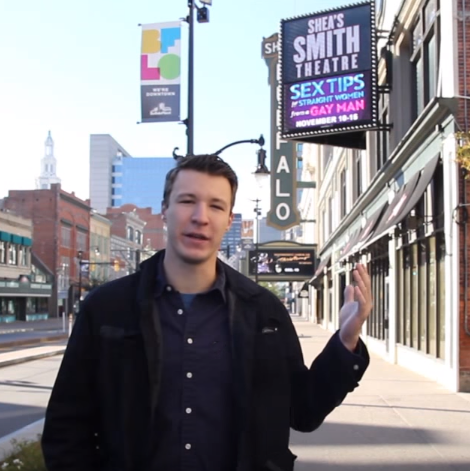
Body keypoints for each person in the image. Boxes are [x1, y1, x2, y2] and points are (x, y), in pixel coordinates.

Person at [42, 154, 373, 471]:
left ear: (228, 220)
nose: (201, 216)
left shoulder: (264, 313)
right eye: (188, 201)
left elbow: (304, 411)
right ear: (165, 210)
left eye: (216, 206)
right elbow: (67, 427)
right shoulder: (106, 309)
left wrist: (346, 341)